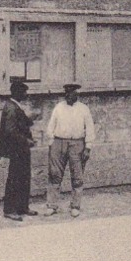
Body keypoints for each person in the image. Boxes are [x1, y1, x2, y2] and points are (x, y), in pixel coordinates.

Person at [44, 82, 95, 218]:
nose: (68, 95)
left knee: (77, 176)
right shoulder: (58, 108)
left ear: (76, 93)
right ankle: (52, 205)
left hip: (77, 144)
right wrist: (52, 143)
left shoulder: (84, 109)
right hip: (58, 142)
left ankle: (75, 205)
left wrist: (88, 147)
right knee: (54, 175)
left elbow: (90, 128)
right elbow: (50, 126)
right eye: (66, 92)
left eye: (71, 92)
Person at [0, 78, 39, 221]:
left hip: (21, 149)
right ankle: (9, 210)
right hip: (16, 150)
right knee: (15, 179)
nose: (26, 95)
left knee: (24, 178)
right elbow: (10, 131)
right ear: (17, 93)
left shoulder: (15, 106)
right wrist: (26, 140)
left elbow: (19, 124)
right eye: (24, 92)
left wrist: (29, 119)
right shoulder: (10, 107)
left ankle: (22, 207)